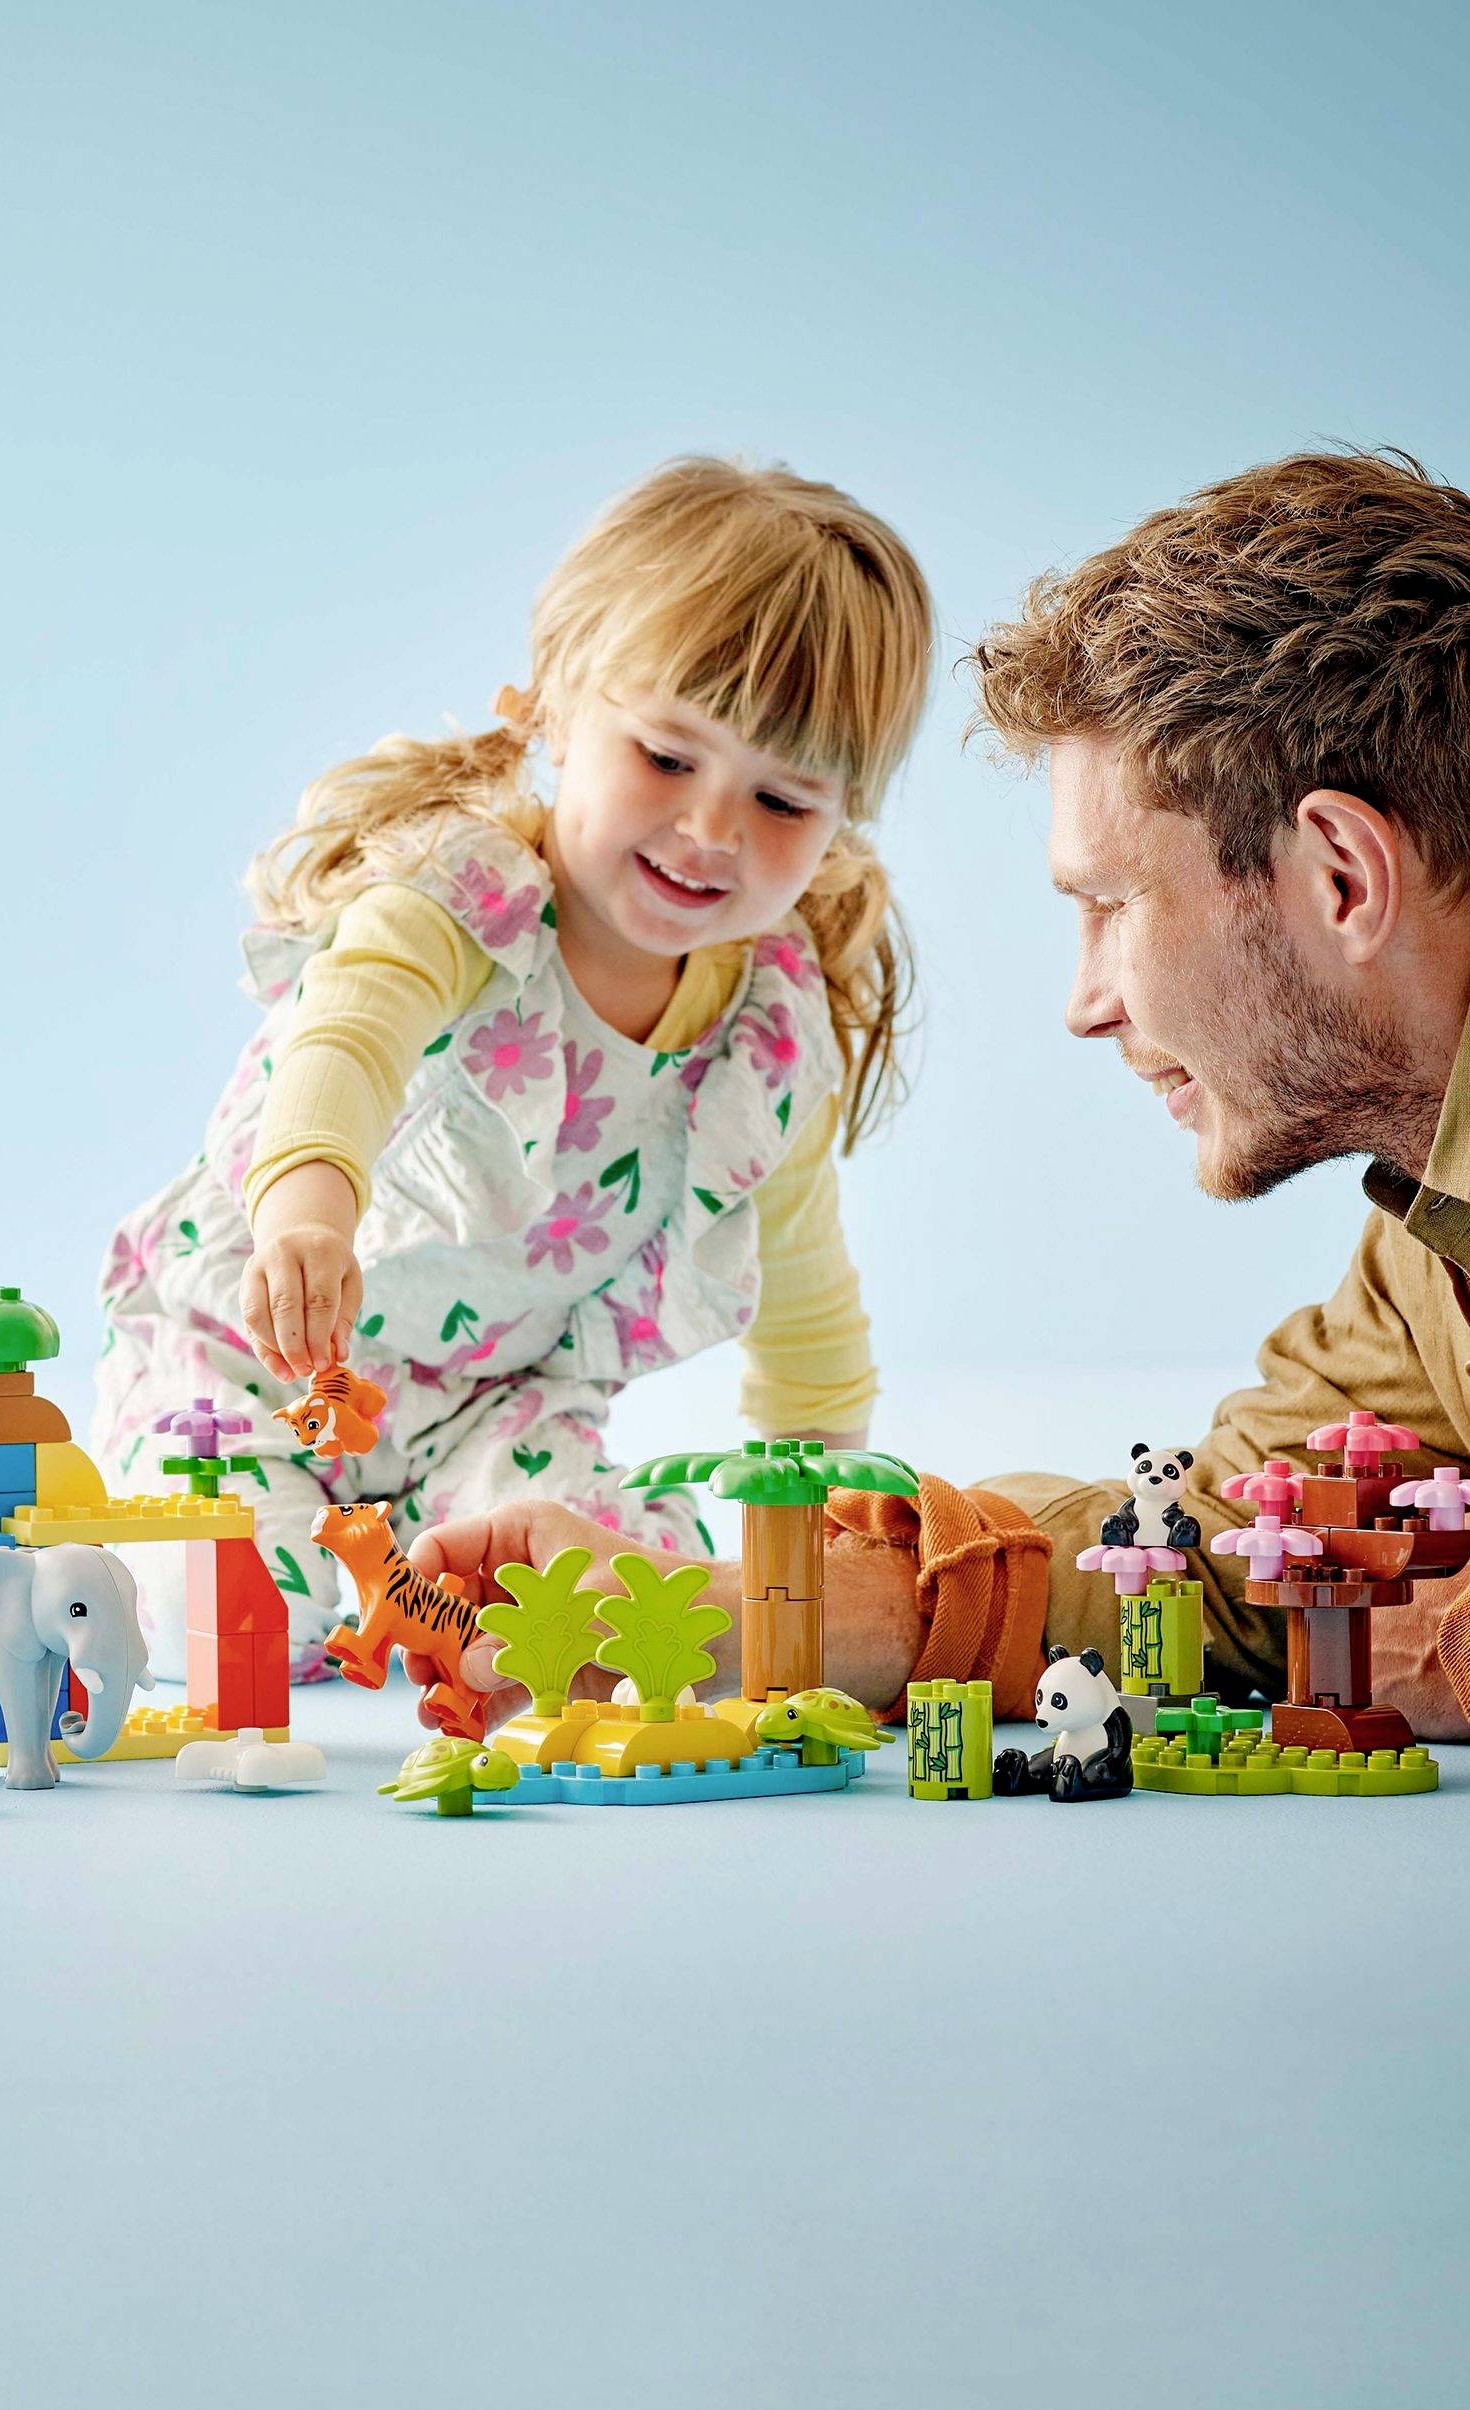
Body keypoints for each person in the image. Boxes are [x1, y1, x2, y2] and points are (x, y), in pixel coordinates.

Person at [415, 449, 1470, 1742]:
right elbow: (1221, 1558)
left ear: (1343, 880)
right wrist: (725, 1614)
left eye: (1107, 905)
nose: (1086, 1005)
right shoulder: (1432, 1250)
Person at [91, 458, 933, 1678]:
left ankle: (443, 1618)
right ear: (553, 705)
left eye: (783, 799)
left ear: (842, 816)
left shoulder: (767, 1033)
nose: (710, 830)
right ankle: (257, 1577)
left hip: (496, 1405)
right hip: (254, 1358)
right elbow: (345, 1038)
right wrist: (309, 1212)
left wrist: (822, 1524)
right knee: (230, 1616)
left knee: (610, 1580)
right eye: (664, 755)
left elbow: (803, 1282)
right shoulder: (464, 899)